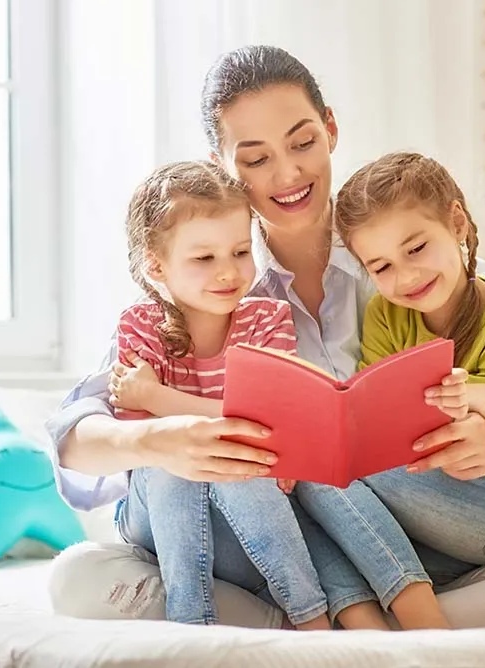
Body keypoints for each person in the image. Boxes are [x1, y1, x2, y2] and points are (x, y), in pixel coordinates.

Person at [46, 45, 485, 629]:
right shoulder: (207, 280)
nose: (287, 174)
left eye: (302, 143)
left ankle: (324, 621)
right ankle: (344, 621)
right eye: (256, 159)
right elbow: (79, 429)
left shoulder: (395, 252)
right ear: (223, 166)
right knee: (82, 578)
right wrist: (161, 439)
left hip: (409, 529)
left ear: (330, 130)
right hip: (278, 540)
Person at [292, 151, 485, 630]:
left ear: (456, 222)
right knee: (315, 500)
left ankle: (421, 626)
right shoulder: (386, 316)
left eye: (416, 249)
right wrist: (466, 394)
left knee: (326, 468)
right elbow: (379, 415)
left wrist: (468, 397)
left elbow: (477, 440)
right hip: (442, 507)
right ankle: (362, 622)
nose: (405, 277)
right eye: (382, 267)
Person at [107, 160, 331, 628]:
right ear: (156, 264)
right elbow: (144, 437)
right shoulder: (139, 326)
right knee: (176, 460)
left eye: (240, 251)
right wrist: (220, 423)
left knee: (237, 465)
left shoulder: (268, 320)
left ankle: (313, 623)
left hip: (248, 503)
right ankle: (192, 630)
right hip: (157, 509)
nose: (229, 272)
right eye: (204, 258)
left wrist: (162, 398)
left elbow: (273, 427)